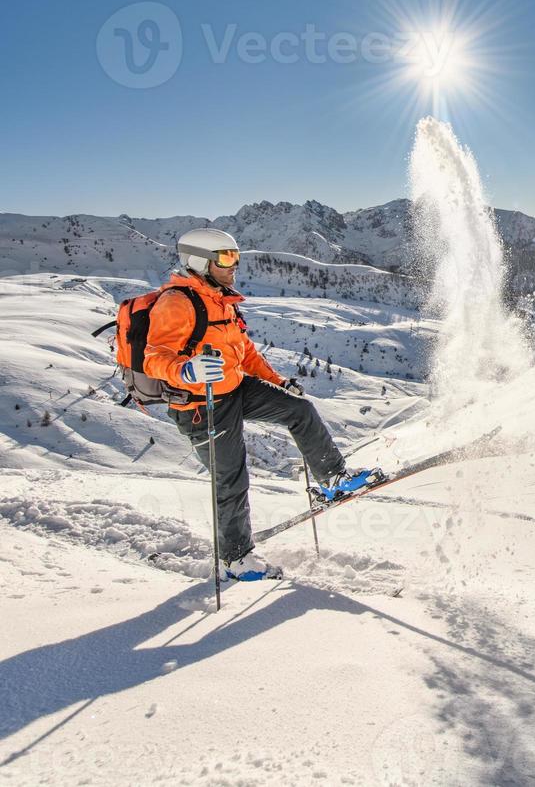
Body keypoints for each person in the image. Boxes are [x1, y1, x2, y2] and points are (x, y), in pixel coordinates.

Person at [143, 228, 377, 582]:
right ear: (198, 261)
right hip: (200, 403)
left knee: (300, 411)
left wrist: (278, 382)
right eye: (225, 258)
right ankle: (235, 560)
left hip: (236, 388)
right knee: (231, 478)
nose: (233, 264)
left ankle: (332, 478)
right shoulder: (176, 302)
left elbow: (246, 353)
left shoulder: (221, 299)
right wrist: (186, 370)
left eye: (235, 257)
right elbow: (154, 357)